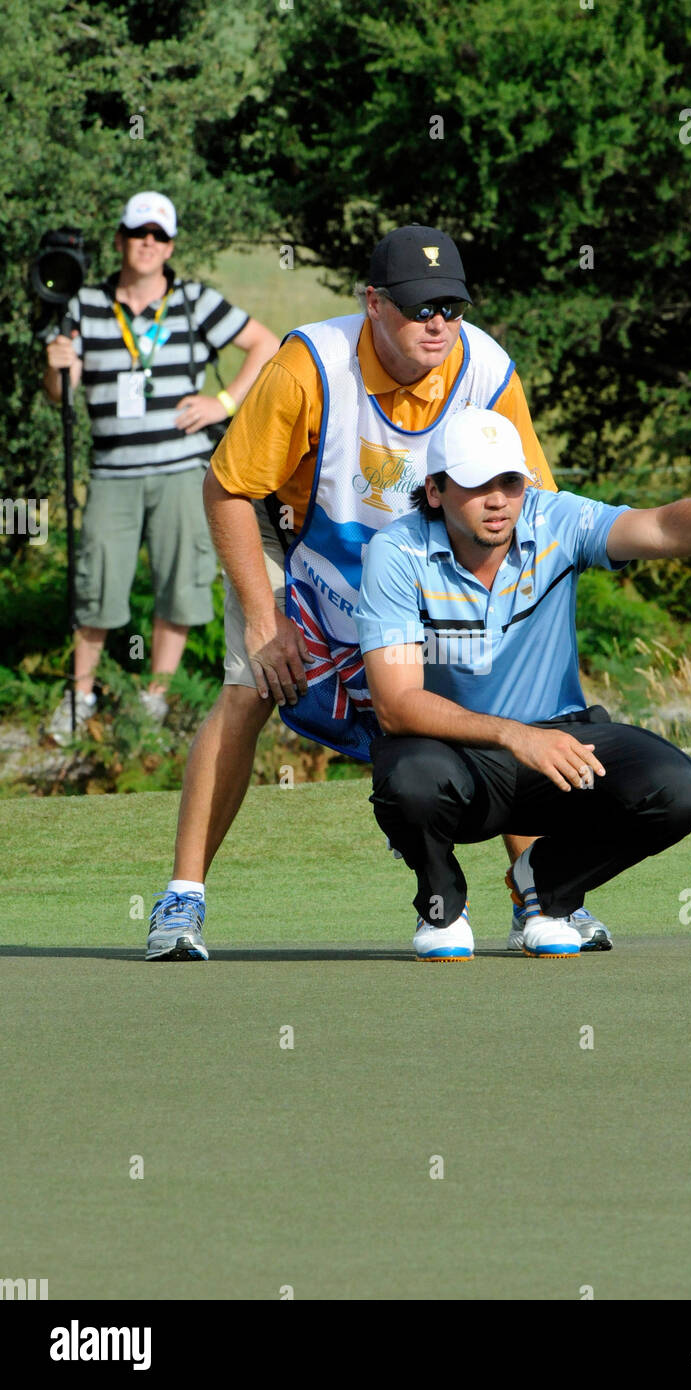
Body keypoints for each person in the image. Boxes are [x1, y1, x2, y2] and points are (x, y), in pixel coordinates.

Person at [146, 224, 604, 961]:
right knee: (249, 686)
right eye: (420, 307)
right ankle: (181, 901)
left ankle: (536, 894)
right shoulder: (309, 364)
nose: (438, 324)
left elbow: (533, 503)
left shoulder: (484, 368)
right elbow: (228, 489)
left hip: (418, 556)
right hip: (293, 544)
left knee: (498, 694)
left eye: (450, 308)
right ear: (372, 304)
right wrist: (267, 623)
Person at [353, 407, 691, 960]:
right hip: (454, 761)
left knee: (675, 790)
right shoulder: (396, 554)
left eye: (510, 483)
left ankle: (547, 887)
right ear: (437, 490)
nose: (498, 500)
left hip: (558, 750)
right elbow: (396, 706)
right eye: (476, 485)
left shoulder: (554, 520)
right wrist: (517, 735)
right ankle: (442, 905)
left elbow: (663, 528)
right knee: (409, 778)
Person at [42, 190, 280, 742]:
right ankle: (80, 696)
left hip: (182, 471)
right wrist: (55, 368)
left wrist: (222, 404)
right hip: (112, 473)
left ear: (170, 245)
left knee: (180, 582)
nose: (148, 243)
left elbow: (266, 344)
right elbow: (59, 395)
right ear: (121, 239)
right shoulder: (84, 304)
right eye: (137, 232)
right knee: (97, 582)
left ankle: (155, 699)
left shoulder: (194, 300)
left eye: (159, 235)